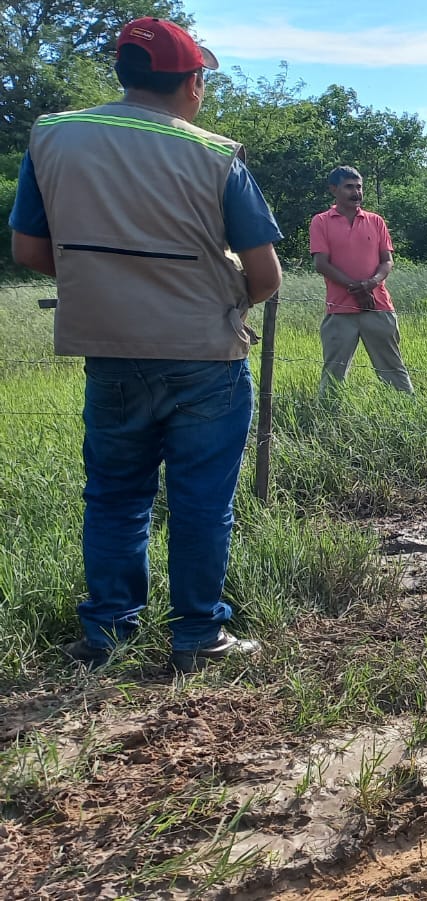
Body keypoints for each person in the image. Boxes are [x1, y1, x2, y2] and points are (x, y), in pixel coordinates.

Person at [8, 18, 283, 674]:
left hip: (110, 352)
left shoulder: (54, 135)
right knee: (200, 499)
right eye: (203, 79)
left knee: (114, 494)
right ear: (191, 83)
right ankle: (198, 637)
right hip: (205, 357)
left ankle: (108, 635)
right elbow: (266, 275)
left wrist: (109, 282)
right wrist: (219, 299)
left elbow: (28, 249)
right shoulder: (216, 154)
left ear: (125, 73)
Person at [310, 167, 413, 395]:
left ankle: (406, 413)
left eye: (359, 187)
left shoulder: (375, 221)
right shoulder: (321, 222)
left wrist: (370, 284)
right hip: (340, 309)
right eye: (349, 187)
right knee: (333, 374)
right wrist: (355, 288)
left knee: (392, 369)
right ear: (333, 189)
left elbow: (387, 261)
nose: (356, 192)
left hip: (377, 306)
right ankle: (327, 419)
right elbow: (321, 263)